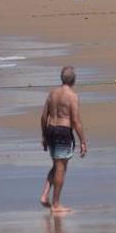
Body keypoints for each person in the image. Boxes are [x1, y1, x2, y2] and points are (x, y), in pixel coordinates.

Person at [40, 66, 87, 213]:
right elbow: (75, 121)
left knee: (56, 165)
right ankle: (56, 204)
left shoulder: (52, 93)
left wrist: (44, 135)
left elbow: (43, 116)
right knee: (61, 168)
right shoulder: (72, 96)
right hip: (63, 131)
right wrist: (83, 141)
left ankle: (45, 195)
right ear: (74, 80)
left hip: (51, 130)